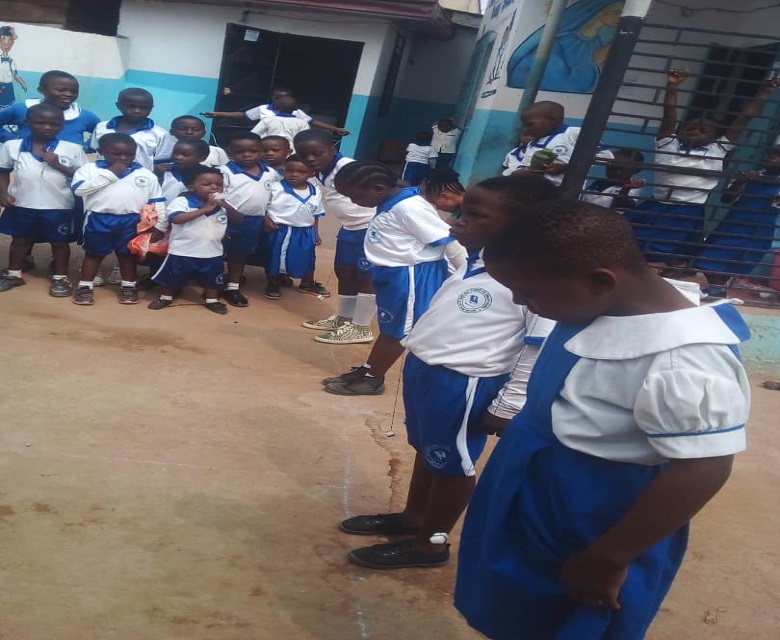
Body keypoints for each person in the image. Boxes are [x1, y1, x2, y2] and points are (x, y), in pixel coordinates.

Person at [454, 199, 750, 640]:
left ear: (600, 281)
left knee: (574, 614)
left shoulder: (684, 360)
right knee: (518, 603)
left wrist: (609, 558)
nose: (519, 302)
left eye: (529, 293)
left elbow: (703, 467)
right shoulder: (596, 305)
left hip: (595, 513)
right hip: (538, 487)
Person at [341, 174, 559, 570]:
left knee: (454, 464)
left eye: (474, 216)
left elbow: (538, 346)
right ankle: (414, 519)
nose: (456, 222)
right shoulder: (476, 261)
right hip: (428, 371)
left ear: (521, 225)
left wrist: (509, 404)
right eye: (460, 212)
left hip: (466, 382)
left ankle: (432, 544)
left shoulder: (532, 278)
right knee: (430, 452)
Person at [322, 161, 467, 396]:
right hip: (392, 274)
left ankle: (374, 379)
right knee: (390, 327)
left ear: (378, 188)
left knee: (398, 330)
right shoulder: (393, 201)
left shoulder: (409, 207)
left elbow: (449, 242)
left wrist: (467, 276)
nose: (354, 202)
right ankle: (368, 369)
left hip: (410, 276)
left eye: (356, 196)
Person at [626, 69, 779, 267]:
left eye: (703, 130)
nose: (695, 131)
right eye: (689, 128)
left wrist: (762, 94)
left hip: (688, 210)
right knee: (633, 242)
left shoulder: (717, 149)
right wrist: (672, 86)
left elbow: (742, 119)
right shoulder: (668, 144)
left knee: (668, 252)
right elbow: (669, 115)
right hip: (657, 205)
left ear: (714, 137)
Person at [294, 129, 377, 344]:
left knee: (365, 275)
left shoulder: (349, 168)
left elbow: (385, 188)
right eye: (304, 155)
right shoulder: (321, 170)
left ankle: (361, 327)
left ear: (332, 150)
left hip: (371, 227)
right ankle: (344, 318)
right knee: (344, 271)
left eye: (317, 153)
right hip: (350, 227)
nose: (310, 159)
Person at [0, 103, 86, 297]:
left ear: (62, 125)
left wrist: (58, 165)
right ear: (27, 122)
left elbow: (83, 176)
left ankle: (60, 277)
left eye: (54, 124)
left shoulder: (72, 149)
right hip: (22, 204)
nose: (47, 127)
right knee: (20, 240)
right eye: (40, 123)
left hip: (59, 206)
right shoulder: (12, 146)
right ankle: (14, 274)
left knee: (59, 243)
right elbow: (3, 170)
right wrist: (3, 192)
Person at [71, 133, 166, 305]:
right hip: (98, 219)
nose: (123, 158)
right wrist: (111, 173)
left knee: (127, 255)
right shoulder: (89, 169)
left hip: (131, 221)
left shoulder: (145, 174)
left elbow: (157, 200)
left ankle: (128, 287)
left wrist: (161, 225)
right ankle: (85, 287)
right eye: (116, 153)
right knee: (94, 254)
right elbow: (79, 190)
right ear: (101, 151)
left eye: (129, 154)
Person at [149, 165, 241, 315]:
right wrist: (205, 209)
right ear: (191, 186)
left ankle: (212, 300)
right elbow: (176, 219)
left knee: (212, 279)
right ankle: (165, 297)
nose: (214, 187)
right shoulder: (182, 201)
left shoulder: (224, 204)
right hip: (182, 251)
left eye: (218, 184)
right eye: (207, 184)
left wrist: (227, 207)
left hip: (212, 252)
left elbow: (238, 220)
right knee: (172, 276)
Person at [692, 145, 780, 292]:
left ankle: (717, 289)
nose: (771, 157)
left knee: (738, 259)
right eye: (769, 154)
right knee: (711, 254)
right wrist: (741, 181)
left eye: (778, 156)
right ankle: (717, 287)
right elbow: (726, 199)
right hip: (734, 224)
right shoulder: (752, 176)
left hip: (759, 229)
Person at [507, 1, 625, 94]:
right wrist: (595, 61)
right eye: (616, 12)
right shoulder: (556, 43)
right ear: (597, 11)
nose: (620, 18)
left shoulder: (597, 43)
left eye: (622, 14)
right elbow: (560, 83)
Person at [219, 131, 277, 307]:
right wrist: (230, 211)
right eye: (240, 151)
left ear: (261, 151)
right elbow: (215, 195)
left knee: (239, 254)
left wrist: (266, 216)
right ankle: (213, 283)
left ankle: (233, 287)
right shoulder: (224, 171)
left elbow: (271, 198)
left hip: (253, 222)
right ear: (230, 152)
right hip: (224, 219)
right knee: (217, 252)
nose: (247, 155)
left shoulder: (270, 172)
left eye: (252, 151)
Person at [263, 154, 329, 300]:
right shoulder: (276, 188)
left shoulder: (315, 191)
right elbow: (262, 207)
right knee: (276, 258)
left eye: (301, 172)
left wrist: (316, 233)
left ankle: (307, 283)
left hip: (305, 231)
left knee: (308, 257)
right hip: (281, 230)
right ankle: (273, 282)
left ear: (311, 174)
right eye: (290, 170)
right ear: (283, 170)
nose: (294, 174)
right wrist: (265, 219)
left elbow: (315, 214)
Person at [510, 101, 611, 185]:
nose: (526, 128)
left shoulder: (573, 133)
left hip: (565, 192)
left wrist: (566, 167)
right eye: (525, 125)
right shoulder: (531, 144)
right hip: (535, 193)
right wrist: (526, 171)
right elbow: (520, 168)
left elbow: (606, 156)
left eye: (530, 124)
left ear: (551, 121)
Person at [0, 70, 100, 146]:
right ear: (42, 90)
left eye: (74, 91)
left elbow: (102, 132)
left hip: (68, 166)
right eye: (61, 90)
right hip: (26, 162)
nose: (68, 94)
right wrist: (12, 140)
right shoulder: (22, 109)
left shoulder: (84, 116)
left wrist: (86, 147)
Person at [203, 86, 350, 137]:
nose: (282, 100)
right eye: (279, 97)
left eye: (286, 97)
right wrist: (218, 113)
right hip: (265, 144)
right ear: (273, 97)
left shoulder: (297, 113)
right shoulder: (263, 109)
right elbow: (243, 115)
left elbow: (313, 122)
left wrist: (336, 129)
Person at [90, 88, 168, 170]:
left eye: (144, 107)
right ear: (118, 105)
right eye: (131, 106)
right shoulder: (102, 127)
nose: (137, 111)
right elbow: (96, 150)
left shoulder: (159, 134)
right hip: (103, 175)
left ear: (151, 108)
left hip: (139, 177)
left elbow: (162, 163)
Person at [154, 115, 229, 171]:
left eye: (196, 129)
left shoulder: (217, 152)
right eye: (182, 129)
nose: (189, 132)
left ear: (204, 133)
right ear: (172, 132)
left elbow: (226, 172)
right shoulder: (165, 149)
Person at [581, 148, 646, 210]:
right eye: (612, 167)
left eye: (622, 169)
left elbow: (620, 202)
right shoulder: (598, 183)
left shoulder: (633, 188)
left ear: (635, 171)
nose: (617, 172)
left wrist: (626, 188)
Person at [161, 139, 210, 203]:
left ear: (202, 158)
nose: (177, 157)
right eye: (175, 153)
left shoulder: (207, 175)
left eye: (185, 155)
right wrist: (158, 173)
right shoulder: (164, 170)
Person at [0, 26, 27, 108]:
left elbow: (15, 74)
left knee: (6, 106)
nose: (6, 43)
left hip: (8, 87)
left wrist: (22, 83)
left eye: (10, 40)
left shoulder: (11, 61)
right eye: (3, 39)